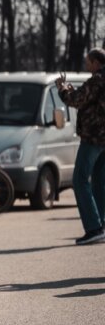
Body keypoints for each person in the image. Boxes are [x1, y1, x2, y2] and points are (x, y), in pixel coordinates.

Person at [57, 48, 105, 245]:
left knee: (79, 180)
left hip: (93, 138)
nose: (86, 65)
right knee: (99, 182)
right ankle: (102, 225)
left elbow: (75, 100)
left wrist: (63, 89)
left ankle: (94, 228)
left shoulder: (97, 80)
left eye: (88, 62)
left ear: (96, 62)